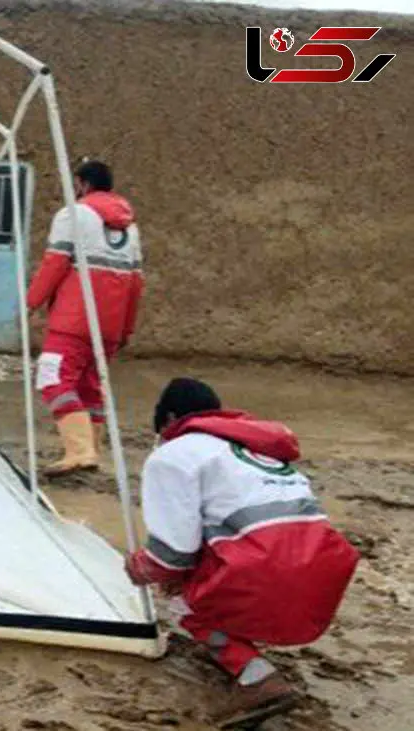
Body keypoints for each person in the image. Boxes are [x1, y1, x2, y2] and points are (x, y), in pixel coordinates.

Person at [125, 378, 359, 729]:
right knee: (202, 572)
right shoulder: (257, 450)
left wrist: (139, 568)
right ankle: (234, 638)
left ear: (169, 419)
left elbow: (172, 554)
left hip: (267, 571)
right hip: (321, 571)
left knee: (181, 601)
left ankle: (256, 678)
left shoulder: (173, 455)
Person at [27, 159, 143, 477]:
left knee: (53, 376)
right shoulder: (130, 228)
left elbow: (54, 263)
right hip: (111, 324)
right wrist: (126, 328)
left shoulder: (73, 215)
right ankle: (91, 450)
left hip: (73, 318)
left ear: (82, 184)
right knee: (89, 386)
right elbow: (136, 283)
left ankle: (80, 452)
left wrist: (31, 302)